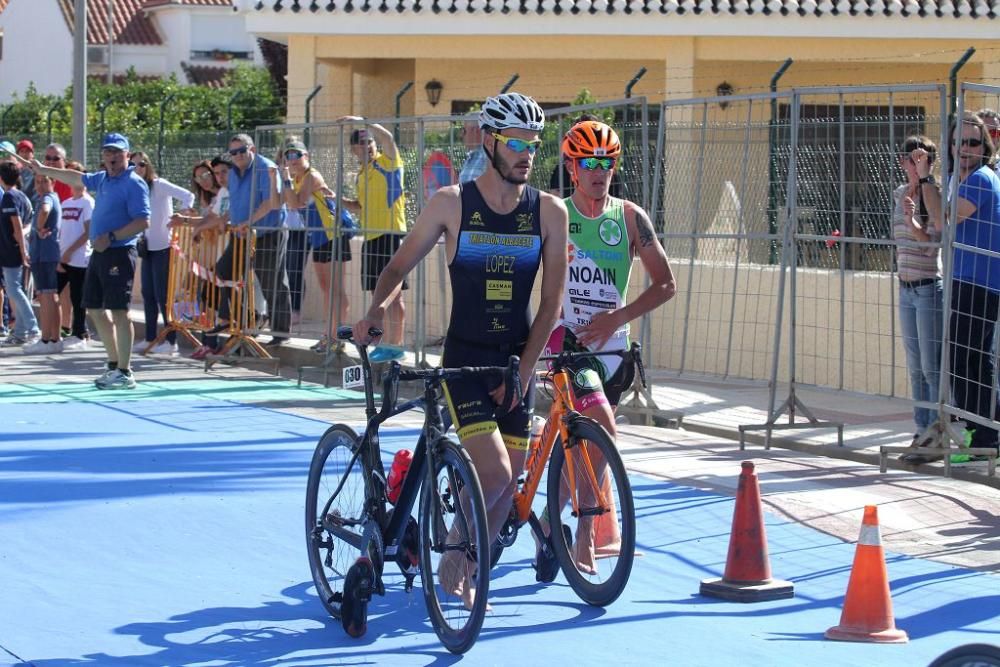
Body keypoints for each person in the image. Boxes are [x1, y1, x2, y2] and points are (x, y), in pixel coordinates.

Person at [355, 92, 568, 608]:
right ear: (490, 140)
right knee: (492, 472)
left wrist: (524, 365)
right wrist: (378, 308)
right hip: (465, 360)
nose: (527, 153)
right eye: (517, 142)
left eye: (534, 145)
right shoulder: (452, 203)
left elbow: (551, 302)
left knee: (510, 482)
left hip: (517, 359)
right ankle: (453, 564)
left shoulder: (550, 212)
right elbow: (396, 267)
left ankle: (458, 563)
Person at [538, 120, 676, 576]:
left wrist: (618, 317)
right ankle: (584, 532)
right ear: (572, 168)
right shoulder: (556, 214)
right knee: (601, 423)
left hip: (614, 349)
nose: (599, 172)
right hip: (568, 340)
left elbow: (666, 284)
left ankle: (549, 519)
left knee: (588, 446)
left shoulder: (631, 218)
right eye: (589, 163)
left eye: (607, 163)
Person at [27, 132, 151, 390]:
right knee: (94, 308)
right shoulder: (103, 178)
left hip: (119, 252)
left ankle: (125, 371)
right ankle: (114, 364)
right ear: (103, 156)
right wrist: (43, 168)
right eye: (108, 152)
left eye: (118, 152)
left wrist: (114, 236)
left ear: (127, 155)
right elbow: (75, 177)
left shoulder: (134, 183)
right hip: (99, 253)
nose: (113, 156)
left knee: (119, 311)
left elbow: (143, 221)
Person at [917, 112, 1000, 461]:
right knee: (969, 361)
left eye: (973, 142)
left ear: (985, 147)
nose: (965, 148)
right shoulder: (960, 180)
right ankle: (981, 434)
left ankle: (981, 434)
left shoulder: (981, 179)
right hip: (967, 279)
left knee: (967, 360)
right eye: (959, 142)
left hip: (980, 282)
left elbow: (943, 219)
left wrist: (925, 179)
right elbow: (934, 227)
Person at [340, 118, 407, 362]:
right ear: (353, 149)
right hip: (370, 236)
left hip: (390, 234)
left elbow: (388, 139)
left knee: (395, 295)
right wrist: (340, 201)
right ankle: (384, 343)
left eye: (369, 141)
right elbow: (360, 206)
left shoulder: (387, 163)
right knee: (376, 294)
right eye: (360, 143)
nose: (366, 146)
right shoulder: (360, 174)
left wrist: (364, 122)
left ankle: (396, 345)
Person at [892, 136, 943, 453]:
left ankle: (937, 429)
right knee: (914, 366)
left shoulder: (934, 195)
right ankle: (921, 428)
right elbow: (896, 238)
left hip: (926, 288)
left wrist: (913, 221)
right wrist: (906, 218)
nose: (911, 164)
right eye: (907, 159)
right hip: (905, 287)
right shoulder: (899, 194)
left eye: (919, 159)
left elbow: (929, 248)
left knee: (930, 366)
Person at [280, 138, 352, 354]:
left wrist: (285, 180)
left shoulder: (311, 175)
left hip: (334, 235)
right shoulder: (298, 179)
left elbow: (295, 203)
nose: (292, 160)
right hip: (318, 238)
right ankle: (328, 335)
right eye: (288, 155)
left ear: (306, 157)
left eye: (296, 155)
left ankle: (338, 336)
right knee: (326, 289)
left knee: (336, 290)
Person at [129, 151, 196, 356]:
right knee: (147, 293)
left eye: (141, 164)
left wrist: (183, 213)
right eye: (132, 165)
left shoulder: (159, 184)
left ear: (148, 165)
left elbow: (188, 195)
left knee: (163, 295)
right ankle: (150, 338)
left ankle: (171, 341)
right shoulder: (134, 189)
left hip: (164, 247)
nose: (137, 168)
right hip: (146, 247)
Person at [227, 133, 289, 347]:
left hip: (268, 231)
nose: (237, 155)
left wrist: (247, 222)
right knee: (228, 275)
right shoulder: (233, 173)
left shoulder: (265, 167)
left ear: (251, 149)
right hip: (242, 234)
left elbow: (271, 203)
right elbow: (234, 203)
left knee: (271, 281)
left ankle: (280, 332)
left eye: (241, 150)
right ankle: (243, 324)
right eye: (233, 152)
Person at [23, 172, 62, 354]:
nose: (40, 185)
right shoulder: (50, 197)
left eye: (44, 181)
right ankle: (55, 338)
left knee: (46, 296)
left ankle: (46, 339)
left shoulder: (48, 198)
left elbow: (45, 210)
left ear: (52, 181)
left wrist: (39, 228)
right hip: (47, 254)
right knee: (52, 297)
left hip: (44, 254)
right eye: (37, 182)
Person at [0, 161, 39, 346]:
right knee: (18, 290)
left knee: (14, 289)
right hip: (17, 250)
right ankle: (21, 332)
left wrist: (23, 253)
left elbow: (16, 226)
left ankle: (32, 328)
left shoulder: (9, 197)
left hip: (12, 251)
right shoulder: (22, 196)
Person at [57, 160, 93, 350]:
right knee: (52, 293)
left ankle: (80, 333)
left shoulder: (88, 202)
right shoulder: (65, 203)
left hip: (79, 258)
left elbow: (88, 232)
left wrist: (70, 251)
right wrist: (61, 255)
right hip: (63, 258)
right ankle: (53, 334)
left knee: (78, 297)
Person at [547, 114, 624, 199]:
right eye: (589, 164)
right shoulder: (563, 167)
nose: (599, 172)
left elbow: (618, 199)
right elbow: (555, 196)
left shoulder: (610, 168)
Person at [458, 119, 487, 184]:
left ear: (476, 131)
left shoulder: (486, 156)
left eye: (464, 131)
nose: (461, 135)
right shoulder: (472, 156)